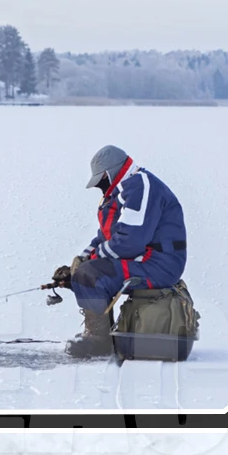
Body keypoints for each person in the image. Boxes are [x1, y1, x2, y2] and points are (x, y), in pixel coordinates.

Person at [55, 145, 188, 358]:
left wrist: (90, 265)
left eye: (100, 181)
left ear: (109, 174)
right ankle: (98, 336)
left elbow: (130, 241)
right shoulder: (125, 190)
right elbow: (107, 236)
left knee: (92, 274)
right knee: (87, 273)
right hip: (146, 260)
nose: (100, 187)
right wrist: (82, 259)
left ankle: (98, 342)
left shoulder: (141, 186)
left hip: (160, 264)